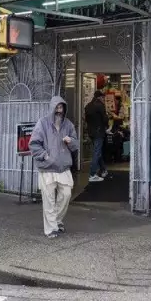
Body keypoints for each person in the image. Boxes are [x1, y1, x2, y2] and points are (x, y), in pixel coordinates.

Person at [29, 96, 79, 239]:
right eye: (57, 107)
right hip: (47, 167)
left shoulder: (68, 125)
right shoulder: (42, 123)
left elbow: (75, 145)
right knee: (49, 199)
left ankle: (56, 221)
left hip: (63, 167)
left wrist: (71, 141)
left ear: (64, 109)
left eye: (61, 107)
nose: (59, 111)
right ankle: (51, 229)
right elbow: (33, 144)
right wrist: (45, 156)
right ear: (52, 108)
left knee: (66, 195)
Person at [85, 90, 109, 182]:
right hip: (99, 131)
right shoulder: (100, 105)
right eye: (103, 97)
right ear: (100, 97)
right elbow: (105, 119)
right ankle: (92, 174)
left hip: (91, 132)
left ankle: (103, 170)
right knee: (97, 152)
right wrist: (107, 126)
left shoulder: (88, 106)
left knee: (97, 151)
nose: (104, 99)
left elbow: (86, 119)